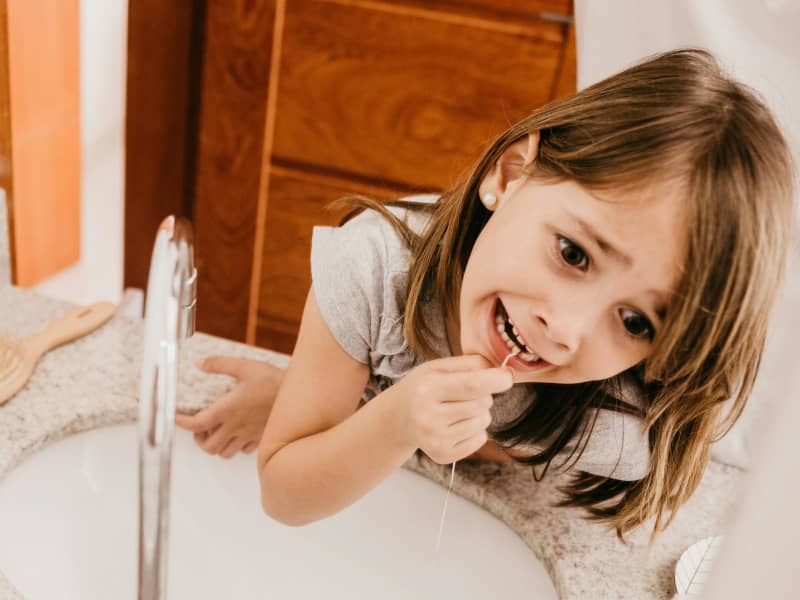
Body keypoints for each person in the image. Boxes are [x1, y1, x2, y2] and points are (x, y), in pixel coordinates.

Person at [176, 48, 796, 542]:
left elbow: (507, 443)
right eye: (573, 254)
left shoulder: (622, 422)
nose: (567, 329)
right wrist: (382, 419)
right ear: (510, 174)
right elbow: (284, 494)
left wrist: (385, 424)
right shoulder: (375, 270)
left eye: (635, 320)